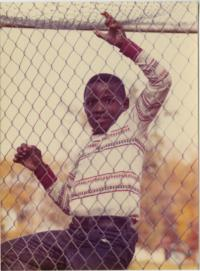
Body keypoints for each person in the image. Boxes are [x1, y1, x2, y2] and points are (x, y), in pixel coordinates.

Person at [1, 12, 172, 270]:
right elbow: (69, 203)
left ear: (124, 104)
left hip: (110, 237)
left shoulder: (132, 127)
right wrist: (40, 169)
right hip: (74, 234)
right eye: (92, 102)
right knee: (8, 255)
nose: (99, 108)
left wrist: (124, 45)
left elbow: (161, 80)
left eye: (108, 100)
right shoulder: (86, 152)